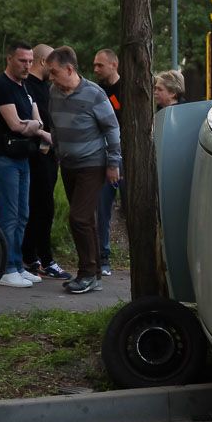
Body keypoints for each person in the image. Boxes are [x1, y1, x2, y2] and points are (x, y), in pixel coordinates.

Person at [46, 46, 120, 295]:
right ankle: (94, 274)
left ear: (69, 69)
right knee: (86, 220)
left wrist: (113, 164)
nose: (51, 78)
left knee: (78, 218)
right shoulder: (54, 92)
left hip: (92, 164)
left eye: (55, 72)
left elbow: (112, 129)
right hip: (68, 164)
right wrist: (57, 151)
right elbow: (55, 125)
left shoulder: (94, 94)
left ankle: (87, 273)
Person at [0, 41, 52, 289]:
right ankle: (6, 269)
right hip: (3, 158)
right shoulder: (1, 86)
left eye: (30, 61)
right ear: (9, 59)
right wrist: (32, 126)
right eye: (22, 60)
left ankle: (17, 263)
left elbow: (37, 122)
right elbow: (15, 124)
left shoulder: (25, 87)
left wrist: (34, 127)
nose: (27, 65)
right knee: (9, 214)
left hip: (23, 156)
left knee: (23, 213)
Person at [21, 44, 71, 280]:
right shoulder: (30, 88)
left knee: (39, 207)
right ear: (43, 62)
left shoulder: (44, 87)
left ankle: (31, 256)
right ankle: (42, 258)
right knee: (42, 208)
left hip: (49, 155)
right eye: (51, 64)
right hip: (38, 156)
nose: (53, 71)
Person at [92, 48, 122, 277]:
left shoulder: (127, 90)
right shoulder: (96, 92)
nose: (96, 69)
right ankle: (102, 258)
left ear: (114, 64)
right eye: (94, 65)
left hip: (127, 159)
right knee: (102, 210)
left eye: (100, 65)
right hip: (104, 158)